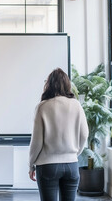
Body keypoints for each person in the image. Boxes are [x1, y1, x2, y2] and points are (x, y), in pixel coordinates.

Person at [28, 68, 89, 201]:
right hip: (71, 165)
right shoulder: (76, 105)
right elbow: (85, 135)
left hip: (47, 166)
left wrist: (31, 164)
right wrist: (74, 154)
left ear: (48, 85)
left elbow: (36, 142)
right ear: (67, 85)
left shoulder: (42, 107)